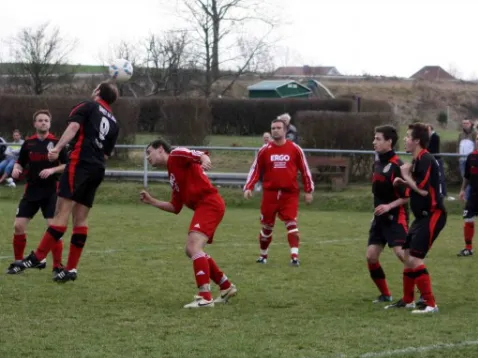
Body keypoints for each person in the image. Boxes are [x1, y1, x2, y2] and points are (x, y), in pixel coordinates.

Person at [9, 82, 120, 282]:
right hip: (97, 169)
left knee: (61, 212)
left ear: (97, 92)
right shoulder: (114, 121)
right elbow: (106, 154)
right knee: (81, 218)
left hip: (80, 164)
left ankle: (38, 257)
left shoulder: (88, 105)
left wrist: (58, 148)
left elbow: (74, 126)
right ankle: (71, 269)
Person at [141, 140, 238, 308]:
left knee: (194, 246)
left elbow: (197, 154)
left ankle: (205, 297)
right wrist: (152, 201)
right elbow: (175, 207)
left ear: (160, 149)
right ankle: (225, 286)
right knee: (191, 249)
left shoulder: (177, 155)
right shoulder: (172, 174)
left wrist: (204, 159)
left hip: (209, 203)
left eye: (149, 152)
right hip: (205, 206)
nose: (147, 157)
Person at [387, 122, 446, 314]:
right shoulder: (418, 160)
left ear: (417, 141)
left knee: (414, 259)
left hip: (433, 214)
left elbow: (422, 190)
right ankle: (408, 300)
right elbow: (415, 188)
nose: (404, 139)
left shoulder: (426, 159)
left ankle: (430, 304)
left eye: (408, 136)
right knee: (406, 255)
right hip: (420, 217)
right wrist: (403, 182)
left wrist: (405, 175)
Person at [243, 118, 314, 267]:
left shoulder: (295, 149)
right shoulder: (264, 150)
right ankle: (263, 256)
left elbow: (305, 170)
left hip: (289, 194)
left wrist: (308, 190)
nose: (275, 130)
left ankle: (294, 257)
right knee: (267, 226)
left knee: (291, 223)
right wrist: (249, 186)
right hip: (270, 194)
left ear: (285, 130)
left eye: (278, 128)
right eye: (273, 128)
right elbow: (255, 169)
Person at [6, 111, 67, 277]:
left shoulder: (57, 143)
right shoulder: (28, 143)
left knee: (53, 229)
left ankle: (57, 267)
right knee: (18, 226)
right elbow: (20, 163)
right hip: (31, 191)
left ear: (50, 123)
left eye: (46, 120)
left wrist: (52, 169)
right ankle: (19, 263)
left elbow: (67, 165)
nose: (43, 123)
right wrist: (16, 169)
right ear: (35, 124)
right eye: (40, 120)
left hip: (51, 193)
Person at [366, 125, 410, 303]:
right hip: (379, 219)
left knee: (403, 255)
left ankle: (422, 293)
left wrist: (388, 207)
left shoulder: (397, 166)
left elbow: (406, 197)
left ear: (389, 142)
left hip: (396, 217)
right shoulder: (378, 163)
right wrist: (377, 211)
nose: (374, 142)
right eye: (374, 138)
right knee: (371, 256)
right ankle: (385, 294)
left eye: (378, 139)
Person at [458, 119, 476, 199]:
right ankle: (466, 196)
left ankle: (468, 196)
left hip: (471, 160)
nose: (465, 124)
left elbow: (476, 146)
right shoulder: (460, 134)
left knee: (470, 179)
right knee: (464, 179)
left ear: (470, 124)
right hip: (462, 160)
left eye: (467, 123)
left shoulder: (474, 134)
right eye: (463, 123)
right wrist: (458, 156)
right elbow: (458, 145)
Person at [427, 124, 446, 198]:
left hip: (436, 159)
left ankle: (442, 193)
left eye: (428, 130)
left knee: (440, 176)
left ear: (431, 129)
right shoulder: (429, 137)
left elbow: (432, 149)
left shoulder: (435, 137)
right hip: (432, 158)